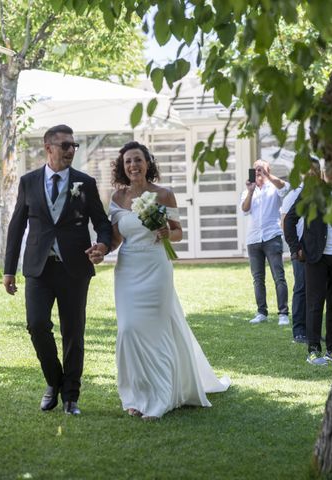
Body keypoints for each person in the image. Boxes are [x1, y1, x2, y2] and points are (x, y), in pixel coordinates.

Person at [105, 141, 230, 420]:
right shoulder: (117, 197)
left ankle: (162, 398)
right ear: (122, 167)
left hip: (155, 267)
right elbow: (114, 239)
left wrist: (164, 232)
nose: (133, 165)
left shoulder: (164, 194)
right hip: (127, 269)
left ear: (147, 163)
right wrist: (100, 249)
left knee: (156, 331)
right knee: (128, 330)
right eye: (127, 161)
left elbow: (178, 234)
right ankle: (136, 396)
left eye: (137, 160)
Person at [3, 124, 112, 415]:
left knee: (73, 332)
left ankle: (71, 397)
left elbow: (102, 223)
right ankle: (54, 381)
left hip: (74, 269)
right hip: (38, 268)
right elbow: (17, 226)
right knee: (37, 325)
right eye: (65, 145)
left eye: (73, 146)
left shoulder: (84, 183)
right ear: (48, 147)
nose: (70, 151)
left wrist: (102, 245)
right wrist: (9, 269)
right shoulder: (28, 181)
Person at [284, 168, 332, 366]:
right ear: (322, 172)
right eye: (328, 168)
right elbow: (290, 220)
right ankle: (313, 350)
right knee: (315, 303)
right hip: (316, 257)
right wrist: (296, 248)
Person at [240, 159, 290, 325]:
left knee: (279, 276)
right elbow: (245, 209)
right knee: (258, 278)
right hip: (253, 238)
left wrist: (268, 176)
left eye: (261, 170)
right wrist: (250, 191)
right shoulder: (249, 189)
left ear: (267, 171)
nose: (258, 172)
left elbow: (285, 187)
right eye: (256, 170)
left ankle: (283, 313)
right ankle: (262, 312)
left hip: (272, 236)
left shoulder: (274, 188)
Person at [280, 158, 322, 344]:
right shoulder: (294, 194)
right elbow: (286, 222)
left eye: (316, 170)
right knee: (301, 287)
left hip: (316, 249)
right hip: (300, 249)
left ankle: (312, 330)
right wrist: (295, 248)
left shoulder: (322, 193)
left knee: (316, 290)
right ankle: (299, 330)